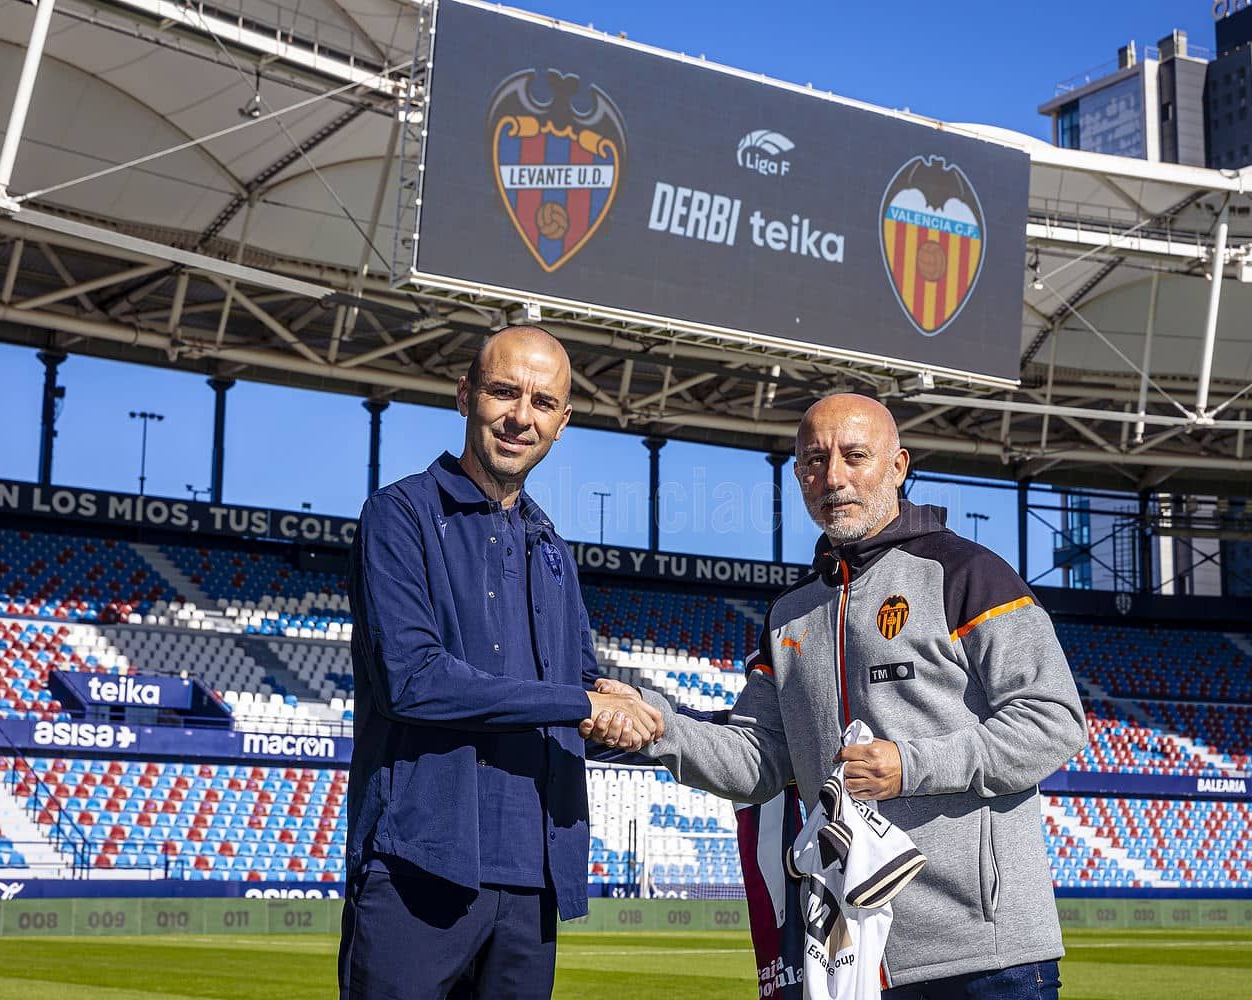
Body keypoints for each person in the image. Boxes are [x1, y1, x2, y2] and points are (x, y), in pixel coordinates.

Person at [592, 393, 1087, 998]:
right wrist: (658, 726)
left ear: (899, 466)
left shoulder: (970, 576)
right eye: (813, 462)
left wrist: (910, 766)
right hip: (849, 961)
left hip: (982, 957)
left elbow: (1054, 722)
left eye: (855, 457)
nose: (833, 478)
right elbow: (759, 761)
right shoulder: (789, 614)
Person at [339, 325, 662, 1000]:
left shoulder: (551, 546)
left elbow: (574, 692)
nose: (522, 416)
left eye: (543, 403)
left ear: (563, 422)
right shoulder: (399, 516)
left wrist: (615, 705)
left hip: (531, 879)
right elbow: (413, 680)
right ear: (466, 396)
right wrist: (581, 703)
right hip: (417, 870)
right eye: (504, 392)